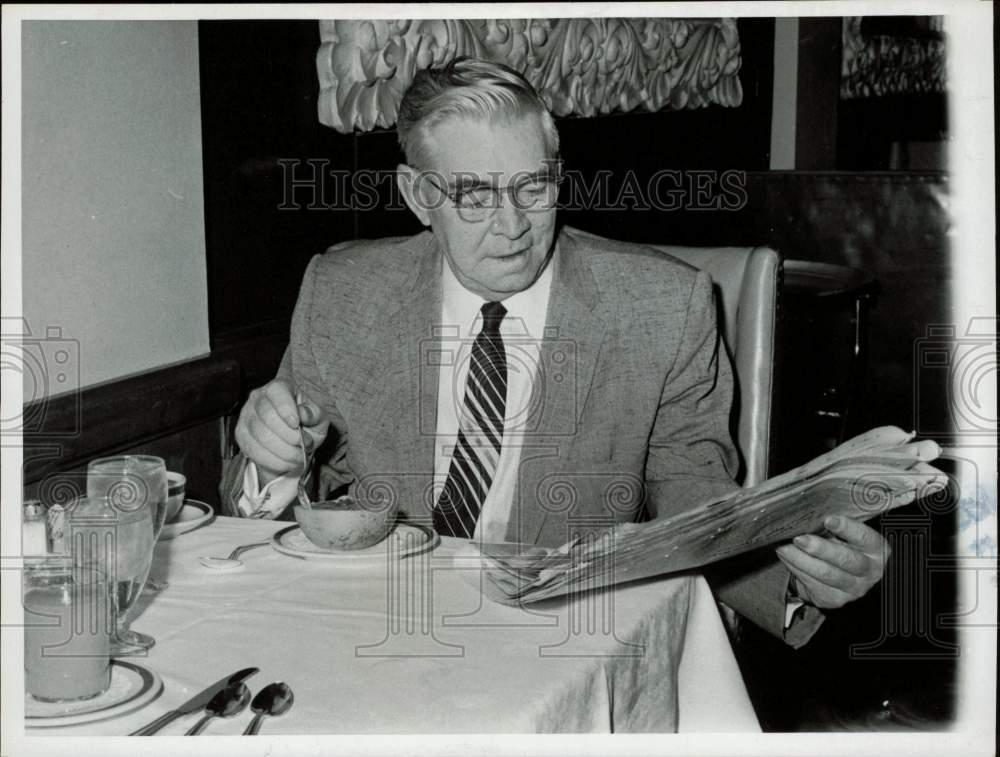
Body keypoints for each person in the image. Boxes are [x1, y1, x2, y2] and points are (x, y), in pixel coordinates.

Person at [223, 57, 888, 647]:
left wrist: (797, 575)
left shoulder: (663, 306)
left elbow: (693, 493)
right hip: (376, 624)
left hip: (563, 632)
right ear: (420, 197)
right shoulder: (344, 294)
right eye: (476, 194)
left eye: (533, 187)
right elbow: (287, 493)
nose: (513, 226)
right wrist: (269, 457)